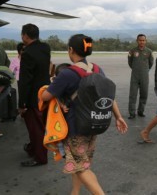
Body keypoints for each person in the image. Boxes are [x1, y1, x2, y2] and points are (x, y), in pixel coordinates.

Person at [41, 34, 128, 195]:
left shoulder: (67, 73)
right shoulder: (97, 69)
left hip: (76, 128)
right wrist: (118, 117)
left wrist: (53, 82)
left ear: (71, 50)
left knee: (81, 168)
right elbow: (108, 97)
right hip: (93, 124)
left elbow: (45, 96)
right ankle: (74, 192)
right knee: (82, 164)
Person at [18, 24, 51, 167]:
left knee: (35, 128)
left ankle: (40, 157)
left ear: (25, 35)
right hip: (46, 92)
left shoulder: (27, 53)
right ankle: (33, 149)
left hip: (33, 97)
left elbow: (25, 81)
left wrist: (21, 104)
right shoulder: (45, 48)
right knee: (42, 125)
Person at [127, 34, 153, 119]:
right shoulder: (132, 51)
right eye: (140, 40)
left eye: (143, 40)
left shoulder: (149, 51)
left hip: (144, 76)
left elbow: (151, 63)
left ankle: (141, 111)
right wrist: (135, 69)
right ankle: (132, 113)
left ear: (145, 41)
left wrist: (144, 70)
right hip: (134, 76)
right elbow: (130, 62)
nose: (141, 42)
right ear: (137, 41)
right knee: (133, 95)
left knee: (144, 94)